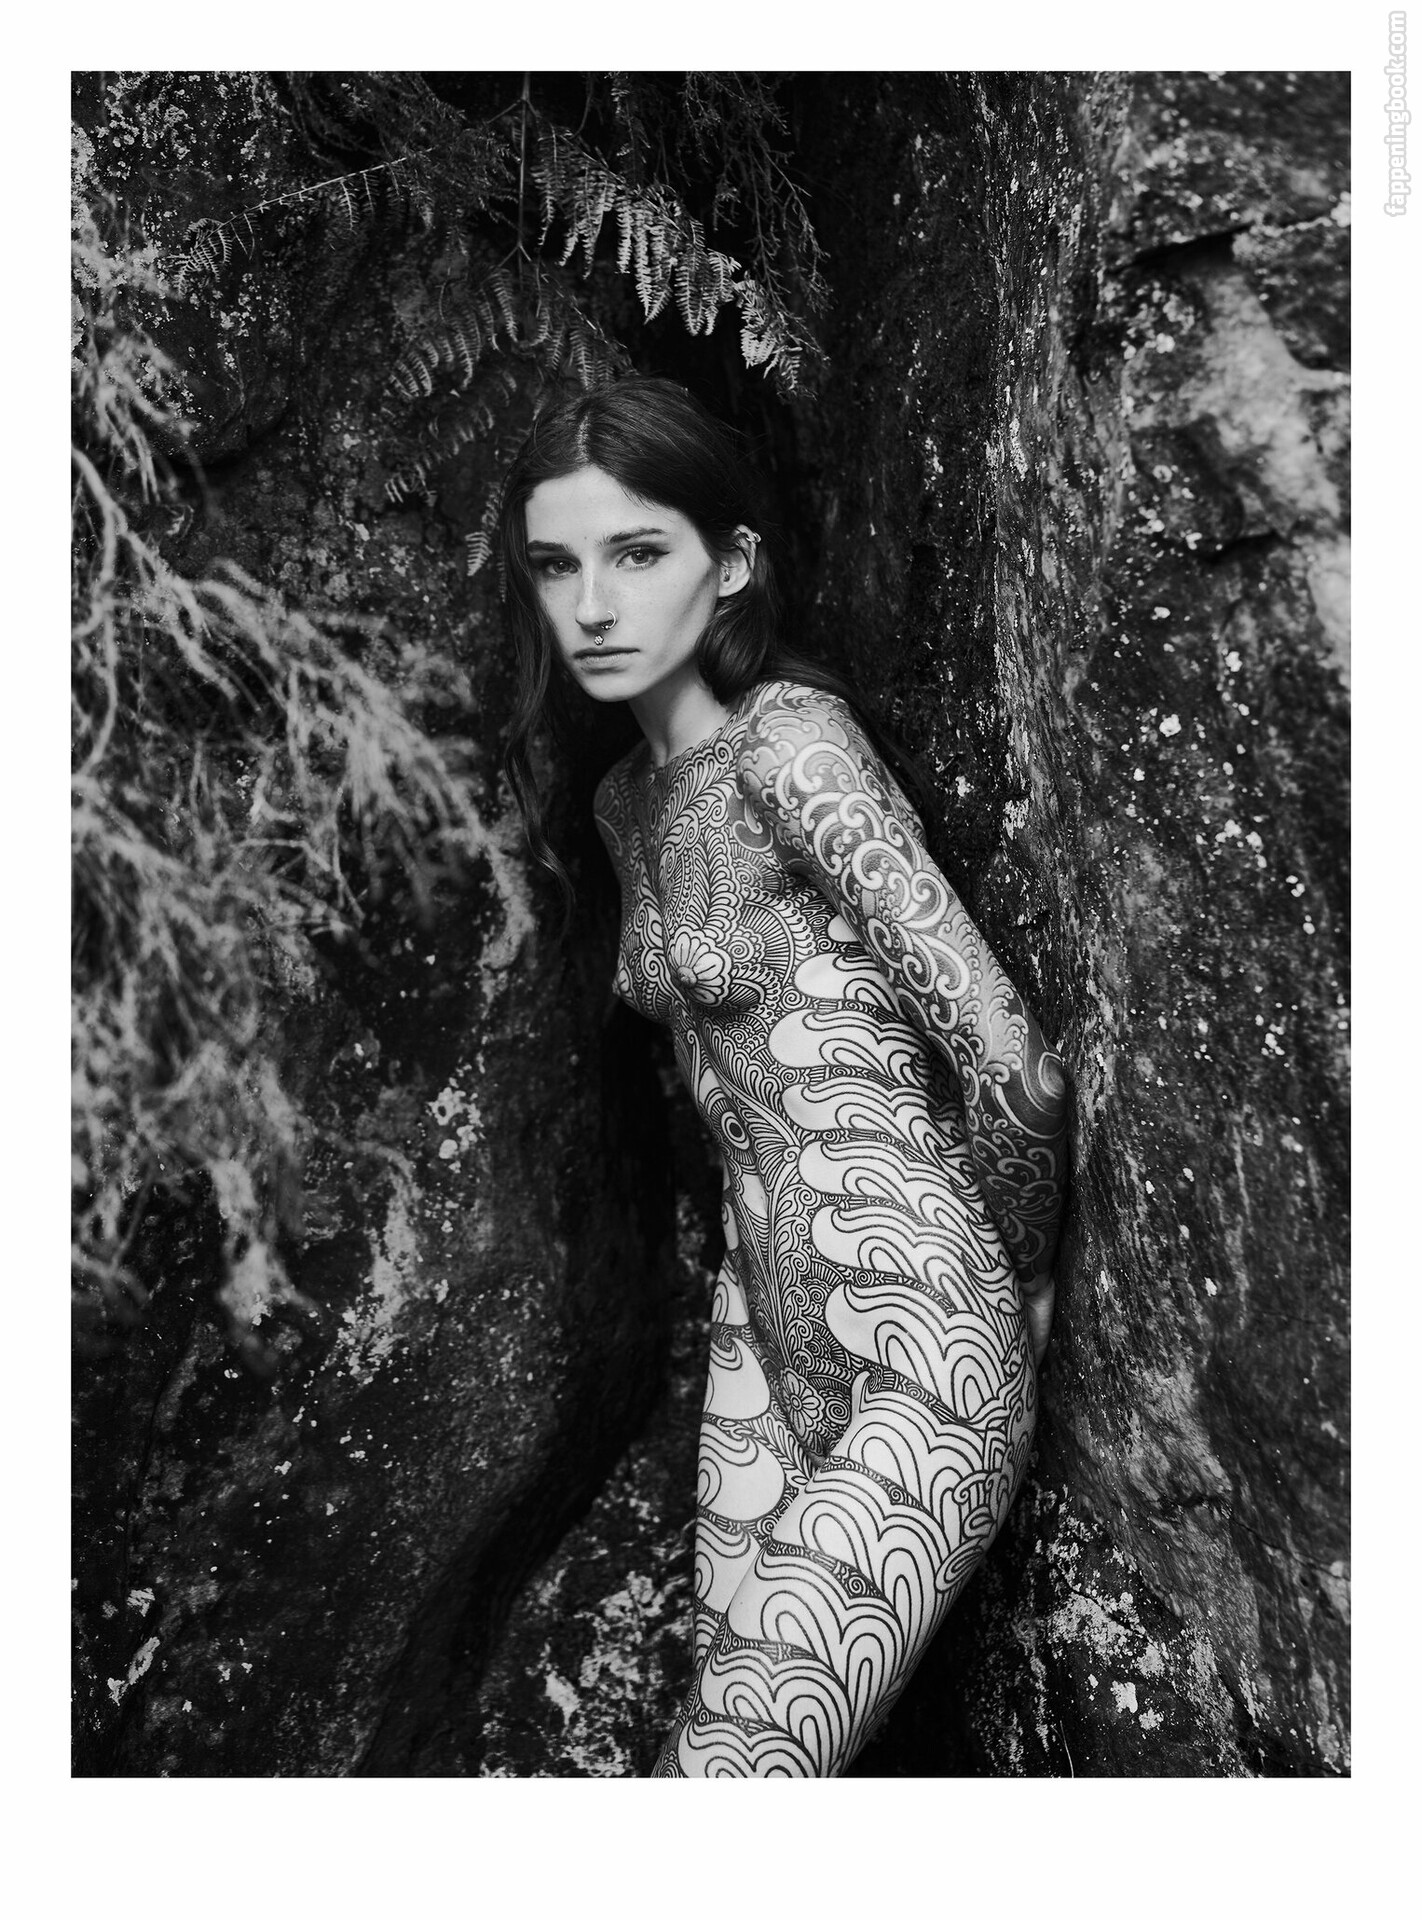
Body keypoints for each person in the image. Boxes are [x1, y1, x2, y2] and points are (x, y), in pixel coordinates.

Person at [498, 375, 1069, 1777]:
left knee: (728, 1776)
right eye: (557, 565)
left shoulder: (789, 745)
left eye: (639, 553)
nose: (593, 605)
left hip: (922, 1341)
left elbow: (1010, 1063)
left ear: (734, 562)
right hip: (761, 1343)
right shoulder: (625, 802)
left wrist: (1011, 1290)